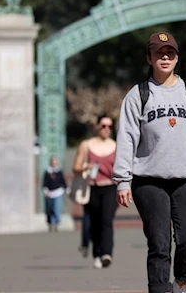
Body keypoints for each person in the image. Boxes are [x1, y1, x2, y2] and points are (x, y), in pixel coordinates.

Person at [113, 32, 186, 293]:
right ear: (149, 57)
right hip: (148, 181)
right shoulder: (139, 95)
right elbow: (126, 137)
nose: (165, 57)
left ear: (177, 57)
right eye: (159, 53)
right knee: (159, 245)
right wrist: (122, 180)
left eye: (169, 53)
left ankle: (181, 282)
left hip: (185, 179)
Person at [72, 114, 117, 269]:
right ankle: (96, 253)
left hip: (110, 187)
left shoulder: (116, 146)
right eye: (103, 126)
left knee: (107, 220)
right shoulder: (86, 145)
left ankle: (106, 253)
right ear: (97, 126)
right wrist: (85, 167)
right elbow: (75, 168)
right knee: (94, 222)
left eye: (109, 126)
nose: (106, 129)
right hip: (91, 187)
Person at [42, 156, 67, 232]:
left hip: (58, 192)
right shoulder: (47, 172)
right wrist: (46, 190)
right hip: (49, 193)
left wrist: (67, 190)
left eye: (55, 161)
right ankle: (50, 223)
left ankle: (57, 222)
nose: (54, 163)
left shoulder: (59, 172)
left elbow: (63, 182)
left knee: (56, 208)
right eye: (53, 161)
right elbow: (44, 183)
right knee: (50, 209)